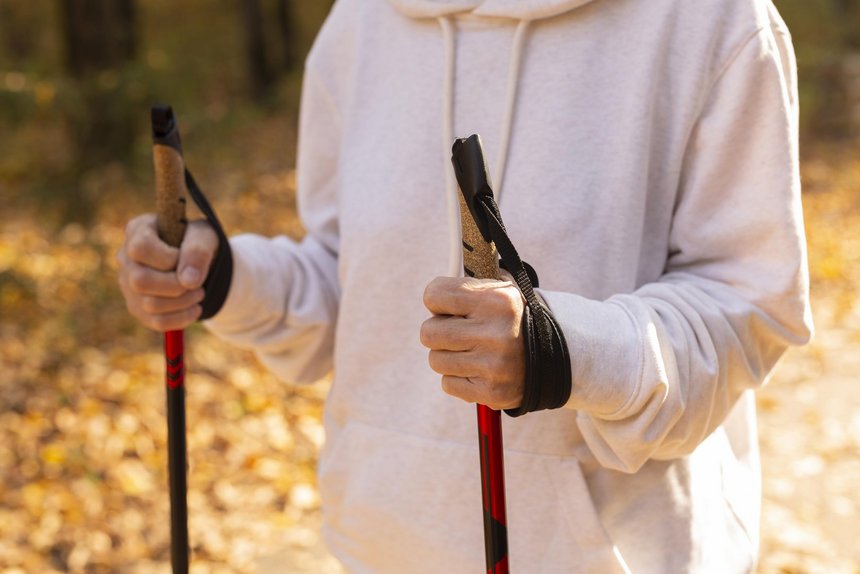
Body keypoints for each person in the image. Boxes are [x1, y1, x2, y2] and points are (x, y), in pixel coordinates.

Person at [118, 0, 814, 571]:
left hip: (619, 556)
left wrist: (562, 353)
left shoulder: (712, 20)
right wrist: (225, 279)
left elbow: (746, 303)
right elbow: (350, 284)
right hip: (381, 544)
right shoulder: (360, 24)